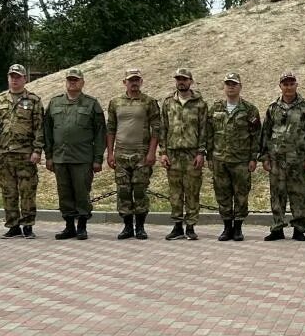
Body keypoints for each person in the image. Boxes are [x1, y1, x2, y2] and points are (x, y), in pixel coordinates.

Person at [43, 68, 106, 241]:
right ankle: (69, 226)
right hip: (60, 157)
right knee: (64, 193)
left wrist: (98, 158)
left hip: (82, 158)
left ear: (82, 82)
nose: (72, 82)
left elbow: (100, 133)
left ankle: (82, 227)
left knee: (81, 192)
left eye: (76, 80)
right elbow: (47, 131)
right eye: (70, 79)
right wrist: (48, 156)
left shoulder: (91, 104)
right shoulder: (55, 103)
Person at [260, 71, 305, 240]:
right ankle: (277, 227)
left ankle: (299, 229)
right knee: (277, 195)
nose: (288, 87)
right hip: (276, 160)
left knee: (299, 195)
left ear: (296, 85)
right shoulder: (273, 107)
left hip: (298, 160)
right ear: (280, 86)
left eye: (291, 83)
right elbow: (266, 133)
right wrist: (264, 156)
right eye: (285, 84)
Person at [0, 63, 44, 239]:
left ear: (24, 79)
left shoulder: (34, 100)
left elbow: (39, 128)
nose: (15, 80)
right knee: (8, 191)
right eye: (12, 76)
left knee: (27, 191)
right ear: (8, 78)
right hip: (5, 154)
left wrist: (37, 150)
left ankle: (27, 225)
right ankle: (12, 225)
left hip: (25, 154)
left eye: (18, 77)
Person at [206, 72, 262, 241]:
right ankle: (226, 227)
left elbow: (256, 135)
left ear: (240, 87)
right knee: (222, 194)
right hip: (219, 159)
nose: (231, 87)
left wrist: (253, 158)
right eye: (228, 84)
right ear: (224, 87)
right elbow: (209, 134)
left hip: (241, 161)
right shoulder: (215, 108)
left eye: (234, 84)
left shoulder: (250, 109)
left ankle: (238, 228)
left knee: (241, 195)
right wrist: (209, 156)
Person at [106, 69, 160, 240]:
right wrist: (110, 153)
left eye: (137, 80)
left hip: (141, 154)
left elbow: (156, 129)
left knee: (139, 190)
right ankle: (127, 226)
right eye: (131, 80)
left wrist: (152, 152)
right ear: (125, 82)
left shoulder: (149, 102)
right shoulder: (115, 102)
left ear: (141, 81)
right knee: (123, 191)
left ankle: (141, 227)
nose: (134, 83)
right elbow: (111, 128)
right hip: (121, 154)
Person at [158, 67, 208, 240]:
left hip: (192, 154)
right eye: (178, 79)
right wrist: (163, 152)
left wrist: (201, 153)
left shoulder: (200, 103)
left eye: (185, 79)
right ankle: (177, 226)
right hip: (173, 154)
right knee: (175, 192)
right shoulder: (168, 103)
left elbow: (204, 130)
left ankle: (191, 226)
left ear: (191, 81)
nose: (181, 82)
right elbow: (163, 128)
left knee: (193, 190)